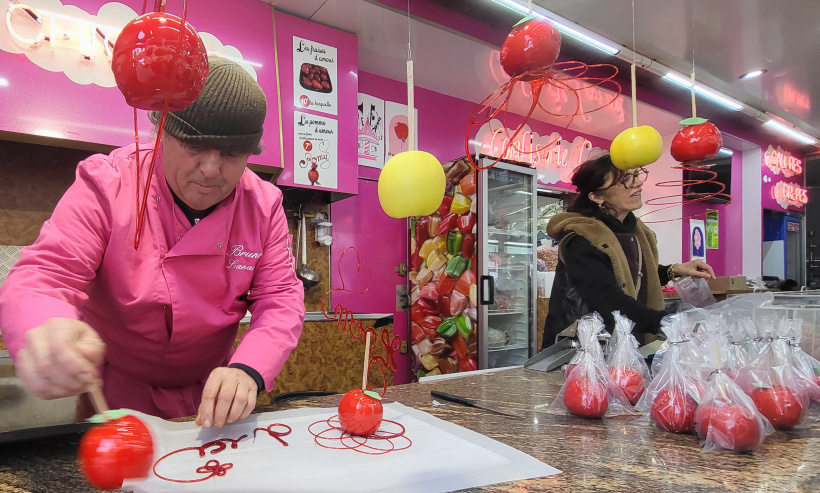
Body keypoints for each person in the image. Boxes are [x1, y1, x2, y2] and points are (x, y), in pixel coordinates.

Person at [0, 57, 305, 428]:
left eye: (230, 154)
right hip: (115, 398)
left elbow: (281, 300)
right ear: (162, 132)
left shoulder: (263, 206)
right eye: (194, 146)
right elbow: (45, 275)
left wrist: (250, 368)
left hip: (210, 400)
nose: (211, 169)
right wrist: (43, 326)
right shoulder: (108, 184)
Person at [542, 154, 714, 348]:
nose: (638, 183)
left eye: (637, 175)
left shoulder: (631, 230)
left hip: (625, 343)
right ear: (597, 197)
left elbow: (629, 273)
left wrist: (674, 271)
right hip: (584, 350)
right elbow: (608, 298)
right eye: (626, 180)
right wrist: (665, 322)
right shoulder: (582, 240)